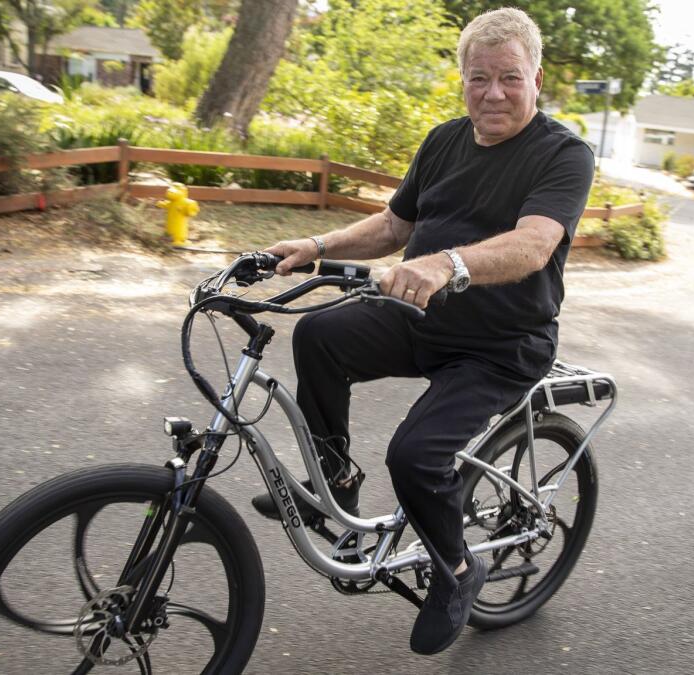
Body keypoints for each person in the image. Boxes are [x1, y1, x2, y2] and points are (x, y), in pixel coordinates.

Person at [251, 7, 595, 655]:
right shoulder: (444, 140)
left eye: (509, 78)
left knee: (415, 455)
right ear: (462, 80)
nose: (493, 92)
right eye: (478, 78)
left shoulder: (563, 154)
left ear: (537, 79)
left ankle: (459, 571)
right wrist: (317, 245)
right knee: (319, 335)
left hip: (502, 344)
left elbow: (532, 246)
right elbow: (392, 227)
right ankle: (335, 477)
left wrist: (448, 264)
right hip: (422, 316)